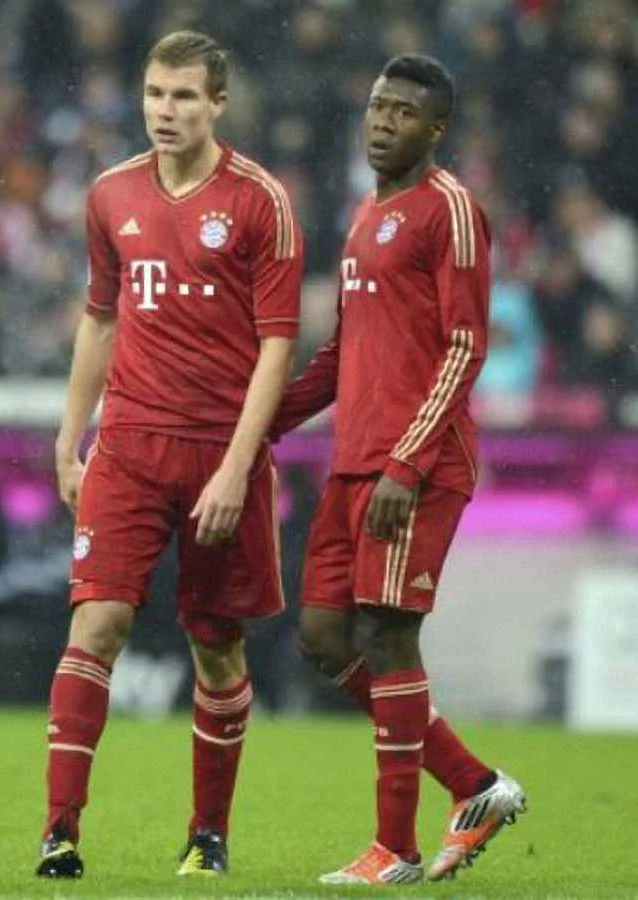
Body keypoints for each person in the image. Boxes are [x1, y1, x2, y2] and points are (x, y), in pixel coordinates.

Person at [38, 31, 302, 879]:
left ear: (218, 103)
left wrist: (237, 466)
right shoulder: (110, 193)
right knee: (96, 623)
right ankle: (59, 832)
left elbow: (277, 346)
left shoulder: (260, 201)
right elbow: (99, 320)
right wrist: (69, 436)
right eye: (155, 93)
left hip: (220, 452)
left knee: (217, 645)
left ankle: (207, 836)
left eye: (185, 96)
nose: (166, 110)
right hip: (128, 446)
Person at [271, 54, 526, 886]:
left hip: (416, 465)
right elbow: (342, 353)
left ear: (436, 129)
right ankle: (474, 785)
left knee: (387, 634)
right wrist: (259, 426)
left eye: (404, 112)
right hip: (353, 462)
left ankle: (396, 849)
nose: (384, 122)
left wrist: (407, 462)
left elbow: (465, 346)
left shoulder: (451, 210)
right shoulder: (365, 214)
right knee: (322, 635)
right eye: (378, 106)